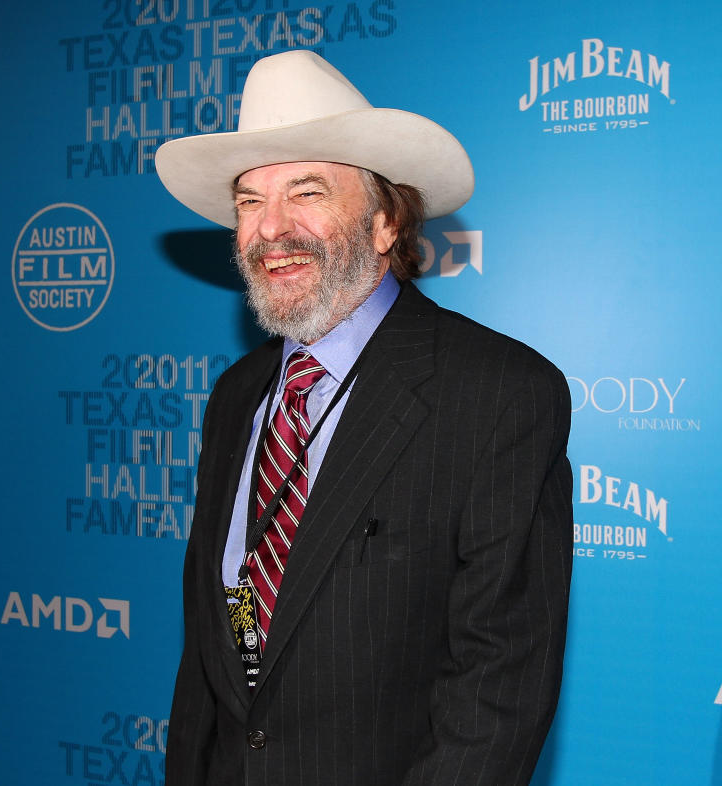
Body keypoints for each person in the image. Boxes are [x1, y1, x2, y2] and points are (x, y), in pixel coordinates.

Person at [154, 50, 573, 786]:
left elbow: (498, 690)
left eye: (306, 191)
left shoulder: (500, 394)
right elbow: (211, 658)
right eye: (249, 201)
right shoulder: (235, 398)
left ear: (385, 222)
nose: (269, 228)